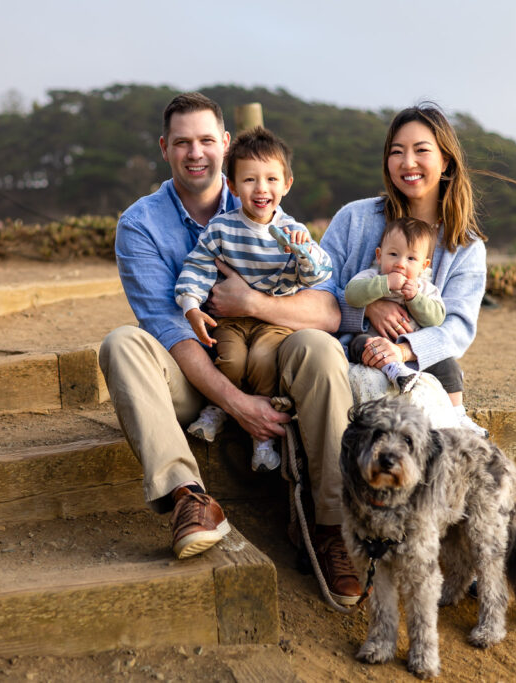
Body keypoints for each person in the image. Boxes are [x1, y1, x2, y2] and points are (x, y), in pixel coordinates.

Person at [98, 93, 362, 606]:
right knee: (122, 344)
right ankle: (188, 499)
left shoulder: (263, 199)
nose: (194, 153)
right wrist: (238, 406)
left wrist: (254, 302)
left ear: (224, 143)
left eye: (204, 140)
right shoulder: (140, 225)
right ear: (164, 148)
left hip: (269, 356)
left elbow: (328, 311)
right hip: (196, 373)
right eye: (181, 143)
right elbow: (170, 329)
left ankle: (331, 528)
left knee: (322, 350)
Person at [314, 102, 516, 434]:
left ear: (445, 161)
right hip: (347, 356)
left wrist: (402, 349)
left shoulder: (466, 246)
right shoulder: (353, 219)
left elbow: (457, 325)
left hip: (421, 366)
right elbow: (317, 287)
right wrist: (367, 309)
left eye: (421, 150)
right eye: (397, 151)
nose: (408, 162)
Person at [175, 127, 333, 472]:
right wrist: (190, 305)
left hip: (275, 322)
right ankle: (218, 408)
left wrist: (302, 252)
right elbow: (199, 266)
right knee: (230, 359)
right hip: (230, 319)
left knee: (263, 360)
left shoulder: (295, 232)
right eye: (249, 180)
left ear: (287, 184)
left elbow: (319, 276)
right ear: (231, 186)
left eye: (272, 179)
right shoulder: (221, 228)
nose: (261, 189)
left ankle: (263, 440)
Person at [344, 216, 462, 404]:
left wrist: (414, 299)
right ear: (379, 255)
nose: (400, 263)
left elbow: (436, 318)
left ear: (424, 265)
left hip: (412, 352)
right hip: (374, 345)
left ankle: (458, 413)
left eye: (411, 258)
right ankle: (396, 371)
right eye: (393, 254)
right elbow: (351, 295)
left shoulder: (424, 289)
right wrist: (384, 284)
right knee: (359, 344)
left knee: (449, 367)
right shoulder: (371, 276)